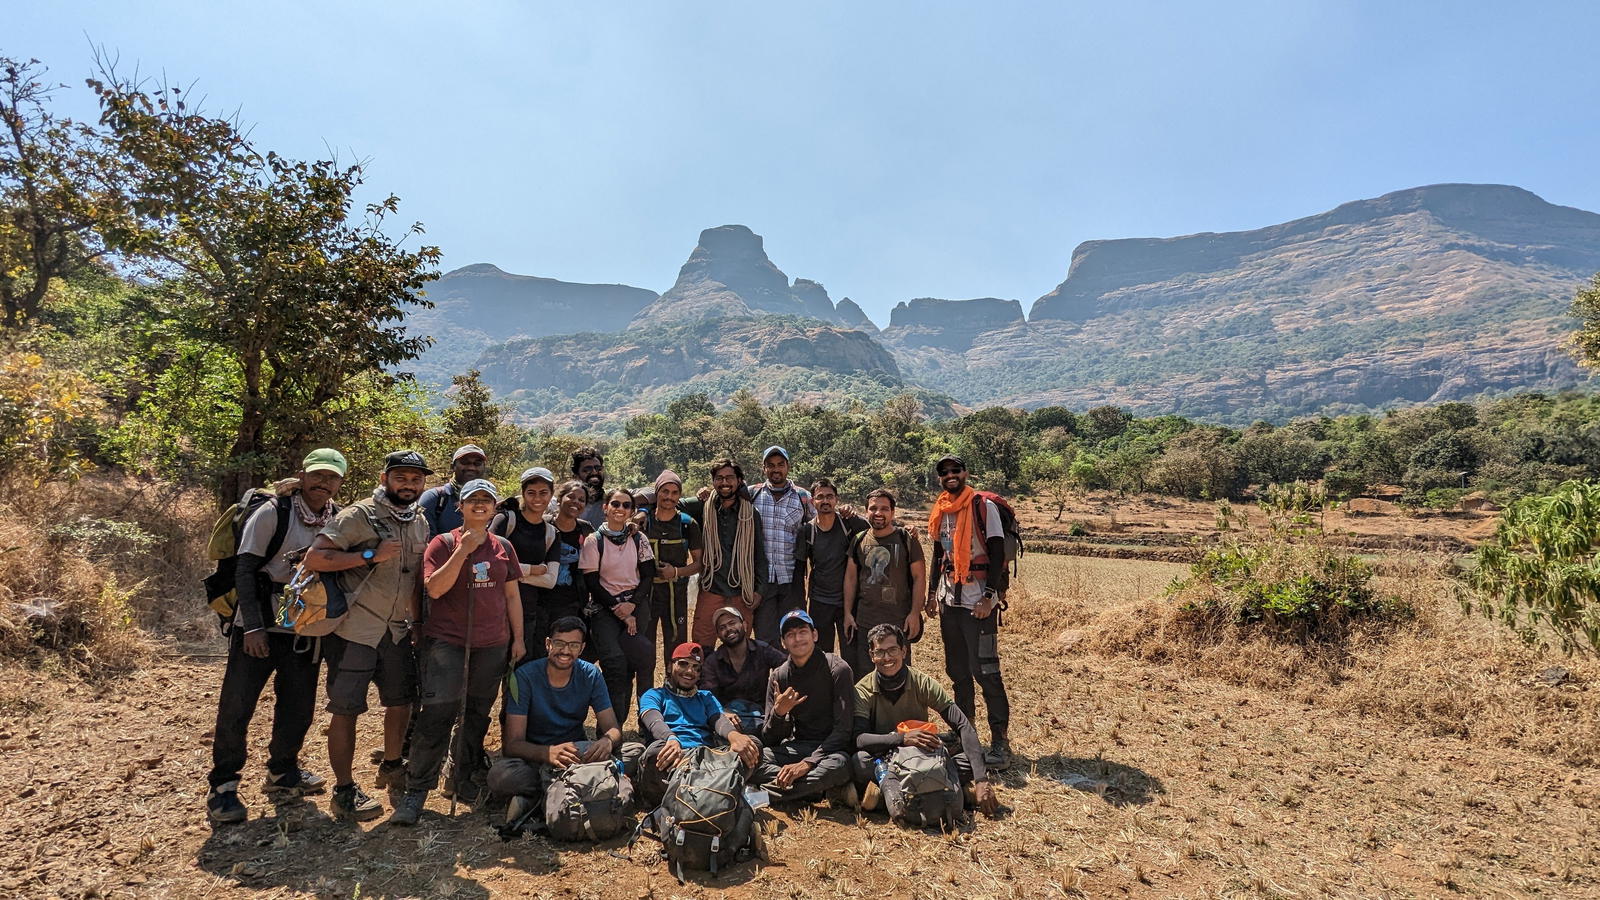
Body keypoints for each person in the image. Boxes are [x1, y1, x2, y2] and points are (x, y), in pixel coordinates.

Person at [205, 448, 347, 824]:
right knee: (238, 706)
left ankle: (283, 771)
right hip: (259, 626)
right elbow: (245, 569)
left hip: (305, 627)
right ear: (302, 475)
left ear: (339, 483)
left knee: (298, 706)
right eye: (317, 475)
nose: (323, 483)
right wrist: (252, 627)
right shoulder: (274, 512)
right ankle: (223, 786)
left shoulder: (337, 518)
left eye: (332, 477)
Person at [304, 450, 432, 820]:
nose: (408, 485)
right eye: (401, 477)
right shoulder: (358, 515)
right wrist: (369, 555)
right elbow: (315, 558)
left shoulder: (418, 521)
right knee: (346, 710)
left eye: (416, 479)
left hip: (396, 630)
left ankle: (392, 766)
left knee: (401, 702)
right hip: (355, 630)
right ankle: (344, 790)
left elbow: (414, 579)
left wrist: (417, 624)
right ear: (384, 479)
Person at [389, 479, 525, 826]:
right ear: (460, 506)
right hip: (448, 642)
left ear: (494, 508)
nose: (480, 505)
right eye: (472, 499)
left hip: (492, 643)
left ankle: (460, 776)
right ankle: (417, 789)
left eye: (486, 500)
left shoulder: (503, 547)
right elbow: (434, 589)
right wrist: (463, 550)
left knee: (477, 713)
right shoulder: (443, 543)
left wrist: (518, 638)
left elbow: (512, 596)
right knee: (438, 712)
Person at [487, 616, 629, 825]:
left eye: (573, 645)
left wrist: (607, 741)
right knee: (500, 775)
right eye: (559, 643)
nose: (565, 651)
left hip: (576, 756)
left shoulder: (591, 674)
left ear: (582, 649)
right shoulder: (525, 676)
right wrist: (547, 753)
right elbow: (512, 745)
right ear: (548, 644)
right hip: (537, 758)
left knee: (634, 753)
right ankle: (578, 789)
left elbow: (613, 728)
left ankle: (542, 797)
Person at [850, 624, 998, 817]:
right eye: (880, 652)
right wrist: (902, 738)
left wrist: (981, 779)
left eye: (893, 650)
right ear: (871, 655)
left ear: (904, 651)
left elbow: (963, 725)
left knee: (974, 758)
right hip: (886, 758)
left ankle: (884, 797)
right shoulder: (863, 690)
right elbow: (859, 739)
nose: (887, 658)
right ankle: (948, 790)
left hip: (922, 757)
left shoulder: (922, 682)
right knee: (860, 761)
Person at [926, 454, 1013, 768]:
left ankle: (1000, 744)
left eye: (955, 470)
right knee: (958, 671)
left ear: (965, 473)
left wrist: (990, 596)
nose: (950, 475)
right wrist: (931, 594)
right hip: (950, 601)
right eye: (944, 472)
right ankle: (965, 732)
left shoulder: (982, 506)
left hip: (978, 602)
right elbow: (939, 554)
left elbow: (998, 551)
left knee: (986, 672)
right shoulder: (941, 509)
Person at [635, 642, 763, 805]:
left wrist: (735, 736)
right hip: (674, 758)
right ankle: (717, 789)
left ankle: (700, 790)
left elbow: (719, 719)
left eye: (696, 668)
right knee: (655, 753)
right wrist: (671, 738)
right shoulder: (654, 695)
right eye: (683, 664)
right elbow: (653, 720)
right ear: (669, 666)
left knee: (752, 744)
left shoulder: (705, 697)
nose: (690, 671)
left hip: (706, 760)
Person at [580, 487, 657, 726]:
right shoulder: (594, 541)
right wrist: (619, 610)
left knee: (633, 665)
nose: (620, 509)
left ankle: (626, 727)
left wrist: (632, 605)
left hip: (636, 605)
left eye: (626, 505)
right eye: (615, 504)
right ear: (605, 508)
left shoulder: (639, 538)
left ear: (632, 511)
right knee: (614, 666)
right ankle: (609, 731)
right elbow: (592, 581)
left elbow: (648, 575)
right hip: (605, 608)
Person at [761, 609, 855, 805]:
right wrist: (779, 713)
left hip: (830, 750)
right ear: (783, 643)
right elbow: (769, 739)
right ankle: (816, 791)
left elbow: (843, 730)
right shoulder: (779, 677)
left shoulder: (837, 669)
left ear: (815, 635)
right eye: (790, 635)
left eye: (802, 632)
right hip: (798, 746)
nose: (797, 639)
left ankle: (762, 796)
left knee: (839, 766)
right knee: (756, 759)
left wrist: (807, 764)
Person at [841, 489, 927, 679]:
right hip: (865, 621)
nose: (878, 513)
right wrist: (847, 613)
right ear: (866, 511)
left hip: (898, 621)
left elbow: (919, 578)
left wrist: (914, 613)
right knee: (866, 675)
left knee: (899, 673)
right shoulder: (859, 540)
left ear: (893, 512)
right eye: (873, 508)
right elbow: (850, 579)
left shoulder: (906, 539)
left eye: (884, 509)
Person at [693, 458, 766, 650]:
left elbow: (759, 554)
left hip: (742, 591)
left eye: (730, 478)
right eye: (719, 478)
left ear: (739, 481)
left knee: (740, 644)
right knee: (702, 644)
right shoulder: (703, 506)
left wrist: (759, 590)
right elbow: (669, 502)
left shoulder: (750, 513)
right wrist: (641, 510)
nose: (724, 482)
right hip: (712, 587)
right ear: (713, 481)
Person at [638, 470, 703, 684]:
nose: (669, 497)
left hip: (676, 596)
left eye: (675, 493)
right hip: (646, 595)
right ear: (656, 492)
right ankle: (645, 698)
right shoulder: (643, 522)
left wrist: (675, 572)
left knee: (676, 649)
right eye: (665, 491)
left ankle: (674, 693)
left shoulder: (687, 524)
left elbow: (699, 563)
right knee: (645, 650)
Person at [793, 478, 868, 657]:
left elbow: (876, 530)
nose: (825, 501)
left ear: (836, 499)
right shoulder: (807, 531)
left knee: (851, 653)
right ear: (813, 501)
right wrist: (800, 606)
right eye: (820, 497)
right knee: (822, 654)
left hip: (848, 602)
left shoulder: (849, 524)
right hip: (820, 602)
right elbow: (799, 571)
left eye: (829, 496)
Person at [748, 446, 814, 643]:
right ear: (763, 468)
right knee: (765, 635)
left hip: (792, 579)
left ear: (788, 467)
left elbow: (821, 524)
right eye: (771, 465)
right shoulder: (752, 494)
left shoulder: (803, 497)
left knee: (795, 635)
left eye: (780, 465)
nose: (776, 469)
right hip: (762, 580)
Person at [491, 466, 558, 660]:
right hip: (495, 610)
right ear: (523, 493)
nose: (537, 498)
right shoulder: (505, 520)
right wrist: (534, 569)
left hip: (528, 611)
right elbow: (492, 564)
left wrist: (514, 574)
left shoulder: (551, 533)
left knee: (520, 671)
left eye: (543, 493)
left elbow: (550, 580)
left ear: (551, 494)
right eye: (531, 492)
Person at [699, 605, 787, 734]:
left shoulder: (762, 650)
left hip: (762, 718)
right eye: (722, 628)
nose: (728, 629)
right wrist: (722, 712)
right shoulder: (712, 662)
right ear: (718, 636)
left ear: (744, 625)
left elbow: (787, 667)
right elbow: (707, 697)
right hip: (729, 722)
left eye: (732, 623)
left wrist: (779, 697)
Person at [419, 444, 487, 537]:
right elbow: (424, 540)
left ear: (484, 467)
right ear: (453, 466)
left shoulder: (492, 502)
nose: (471, 467)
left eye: (477, 463)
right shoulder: (434, 498)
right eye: (465, 462)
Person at [571, 447, 607, 527]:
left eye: (598, 468)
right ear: (576, 476)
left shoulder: (611, 500)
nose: (594, 472)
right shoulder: (567, 503)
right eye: (587, 470)